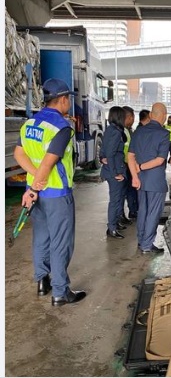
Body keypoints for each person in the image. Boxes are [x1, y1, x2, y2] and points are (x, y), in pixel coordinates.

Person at [13, 78, 86, 306]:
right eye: (68, 100)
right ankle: (60, 292)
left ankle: (42, 281)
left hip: (36, 192)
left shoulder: (30, 123)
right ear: (62, 100)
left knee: (41, 238)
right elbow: (49, 162)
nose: (69, 104)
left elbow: (19, 154)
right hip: (56, 193)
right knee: (60, 242)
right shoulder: (62, 127)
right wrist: (38, 184)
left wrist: (33, 184)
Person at [128, 103, 170, 254]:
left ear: (151, 115)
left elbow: (130, 156)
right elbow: (159, 160)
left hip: (140, 180)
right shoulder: (164, 134)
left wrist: (135, 176)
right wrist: (141, 167)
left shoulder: (138, 131)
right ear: (164, 116)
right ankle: (147, 245)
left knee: (143, 211)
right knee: (153, 213)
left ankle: (141, 240)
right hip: (156, 181)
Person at [100, 106, 128, 239]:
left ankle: (115, 223)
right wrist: (115, 173)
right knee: (115, 200)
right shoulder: (116, 132)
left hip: (112, 168)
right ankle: (112, 228)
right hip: (115, 170)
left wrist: (102, 158)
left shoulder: (110, 129)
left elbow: (103, 150)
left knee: (117, 198)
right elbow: (110, 153)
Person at [122, 106, 138, 221]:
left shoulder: (128, 130)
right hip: (124, 165)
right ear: (129, 117)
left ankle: (132, 211)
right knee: (124, 192)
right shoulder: (121, 131)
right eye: (132, 117)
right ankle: (121, 215)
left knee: (130, 190)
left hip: (128, 165)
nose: (133, 120)